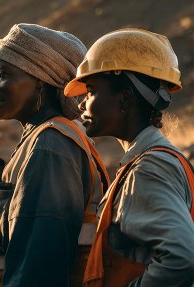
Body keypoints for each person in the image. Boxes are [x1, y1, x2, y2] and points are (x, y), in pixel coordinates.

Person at [0, 24, 109, 287]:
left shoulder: (50, 147)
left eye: (3, 75)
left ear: (41, 80)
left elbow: (37, 269)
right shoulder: (43, 139)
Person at [64, 28, 194, 287]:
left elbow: (182, 257)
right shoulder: (157, 159)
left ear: (124, 100)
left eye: (90, 91)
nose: (81, 104)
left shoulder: (148, 169)